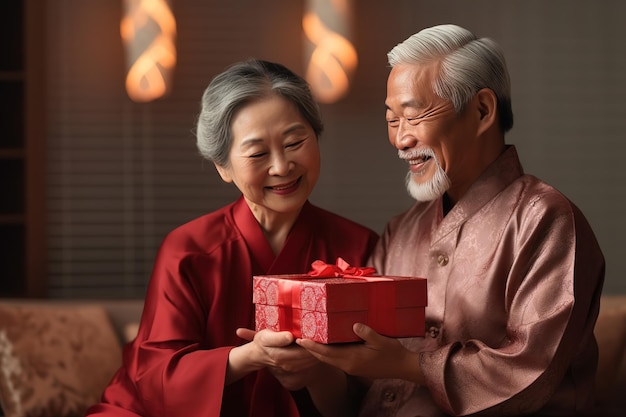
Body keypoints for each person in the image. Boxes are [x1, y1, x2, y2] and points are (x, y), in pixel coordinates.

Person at [297, 24, 605, 417]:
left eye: (414, 115)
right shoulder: (400, 231)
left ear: (481, 111)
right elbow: (363, 385)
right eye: (392, 120)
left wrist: (408, 365)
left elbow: (531, 372)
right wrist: (313, 367)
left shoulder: (545, 220)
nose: (401, 139)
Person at [85, 59, 378, 417]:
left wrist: (318, 373)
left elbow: (373, 393)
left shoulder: (358, 247)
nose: (281, 166)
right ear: (223, 166)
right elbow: (156, 379)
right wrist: (250, 357)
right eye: (257, 153)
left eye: (295, 142)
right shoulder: (189, 249)